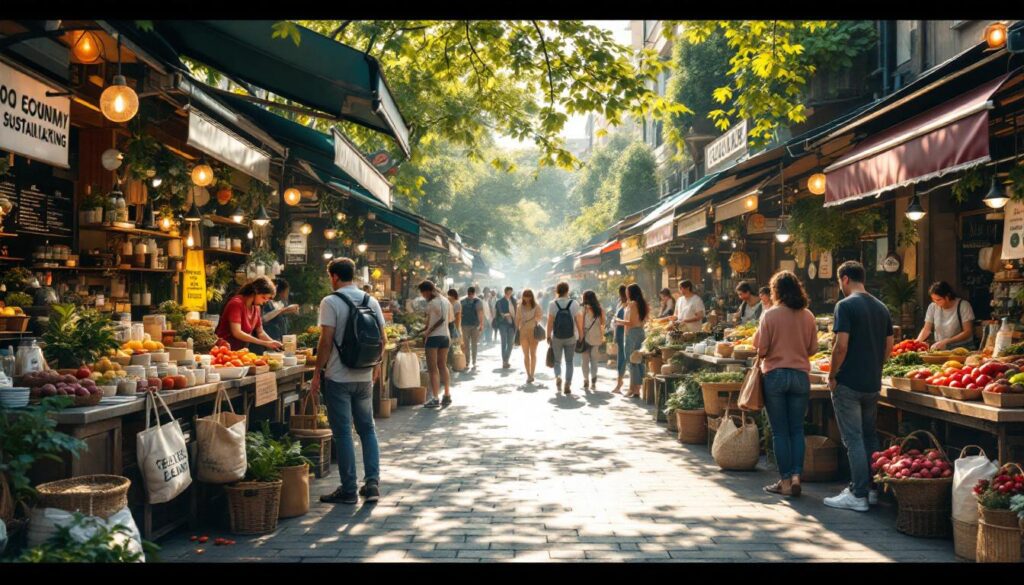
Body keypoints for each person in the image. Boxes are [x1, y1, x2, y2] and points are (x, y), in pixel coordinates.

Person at [309, 258, 386, 505]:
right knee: (368, 430)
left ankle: (349, 489)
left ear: (333, 276)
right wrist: (375, 366)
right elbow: (382, 340)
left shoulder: (330, 302)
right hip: (364, 375)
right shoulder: (370, 300)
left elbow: (325, 341)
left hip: (338, 377)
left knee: (343, 433)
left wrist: (316, 372)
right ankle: (372, 484)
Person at [825, 261, 894, 512]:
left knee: (853, 438)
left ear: (844, 279)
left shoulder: (844, 306)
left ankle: (857, 493)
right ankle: (873, 490)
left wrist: (832, 374)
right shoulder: (881, 307)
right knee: (869, 437)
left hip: (849, 383)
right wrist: (875, 364)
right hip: (872, 383)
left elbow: (840, 345)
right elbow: (889, 348)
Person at [753, 271, 818, 498]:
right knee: (797, 429)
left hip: (776, 375)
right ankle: (798, 476)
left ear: (776, 291)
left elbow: (761, 348)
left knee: (780, 432)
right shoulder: (808, 315)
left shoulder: (770, 315)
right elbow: (813, 349)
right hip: (800, 377)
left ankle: (785, 481)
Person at [214, 276, 285, 352]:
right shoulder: (236, 303)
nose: (265, 301)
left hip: (239, 352)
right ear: (255, 292)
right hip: (223, 351)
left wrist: (273, 343)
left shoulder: (256, 308)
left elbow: (260, 332)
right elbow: (237, 333)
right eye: (264, 297)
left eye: (267, 299)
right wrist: (265, 343)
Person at [913, 281, 976, 351]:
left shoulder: (963, 305)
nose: (935, 302)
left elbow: (968, 332)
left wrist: (946, 341)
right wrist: (917, 343)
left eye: (938, 300)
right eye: (933, 299)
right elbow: (926, 329)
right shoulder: (932, 306)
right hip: (941, 348)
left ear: (947, 296)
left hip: (963, 348)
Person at [420, 281, 452, 408]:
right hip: (445, 336)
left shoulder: (433, 302)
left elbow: (440, 319)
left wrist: (428, 331)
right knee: (443, 365)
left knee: (433, 368)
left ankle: (435, 397)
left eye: (422, 293)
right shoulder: (445, 300)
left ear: (427, 291)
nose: (423, 295)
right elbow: (434, 320)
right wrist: (424, 329)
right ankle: (447, 394)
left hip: (434, 337)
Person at [547, 282, 581, 395]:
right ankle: (567, 384)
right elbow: (578, 321)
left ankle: (558, 376)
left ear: (557, 291)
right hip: (571, 337)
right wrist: (581, 334)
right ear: (568, 290)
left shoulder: (553, 304)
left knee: (557, 361)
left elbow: (550, 322)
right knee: (569, 362)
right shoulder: (574, 303)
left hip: (557, 337)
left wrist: (548, 335)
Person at [616, 284, 649, 398]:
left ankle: (633, 388)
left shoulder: (633, 304)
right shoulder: (639, 304)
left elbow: (630, 322)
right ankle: (636, 389)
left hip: (632, 333)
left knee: (632, 361)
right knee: (637, 360)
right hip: (639, 332)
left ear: (631, 293)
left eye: (627, 291)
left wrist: (618, 320)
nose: (626, 293)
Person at [253, 277, 300, 354]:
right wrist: (283, 310)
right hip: (267, 341)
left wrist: (287, 311)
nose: (286, 295)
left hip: (278, 339)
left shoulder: (280, 303)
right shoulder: (265, 302)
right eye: (286, 292)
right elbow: (263, 319)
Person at [578, 290, 606, 392]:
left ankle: (586, 380)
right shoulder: (600, 309)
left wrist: (580, 336)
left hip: (585, 336)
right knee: (594, 360)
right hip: (596, 336)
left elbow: (580, 323)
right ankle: (593, 380)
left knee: (585, 360)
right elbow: (603, 323)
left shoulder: (583, 309)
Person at [515, 288, 543, 384]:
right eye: (525, 296)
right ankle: (529, 375)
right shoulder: (519, 307)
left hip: (533, 332)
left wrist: (535, 319)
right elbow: (516, 319)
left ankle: (532, 373)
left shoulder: (536, 306)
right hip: (523, 332)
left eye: (529, 296)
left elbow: (540, 316)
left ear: (532, 296)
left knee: (533, 354)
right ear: (523, 296)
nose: (527, 298)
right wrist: (516, 329)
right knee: (526, 354)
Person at [460, 287, 485, 368]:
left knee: (466, 344)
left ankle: (467, 362)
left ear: (467, 292)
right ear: (474, 293)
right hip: (475, 326)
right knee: (474, 344)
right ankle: (474, 361)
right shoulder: (478, 301)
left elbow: (459, 314)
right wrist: (481, 325)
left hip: (464, 325)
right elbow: (480, 314)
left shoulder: (462, 301)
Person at [611, 285, 629, 394]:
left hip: (624, 333)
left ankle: (619, 383)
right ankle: (619, 382)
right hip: (619, 332)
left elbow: (624, 321)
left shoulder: (628, 304)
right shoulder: (620, 303)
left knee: (623, 359)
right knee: (621, 358)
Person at [495, 287, 517, 369]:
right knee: (504, 343)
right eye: (508, 292)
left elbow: (516, 312)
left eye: (511, 292)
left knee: (510, 344)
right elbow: (500, 313)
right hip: (503, 324)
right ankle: (505, 361)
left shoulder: (514, 301)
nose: (509, 294)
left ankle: (506, 359)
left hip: (512, 325)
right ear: (505, 292)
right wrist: (506, 315)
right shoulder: (499, 302)